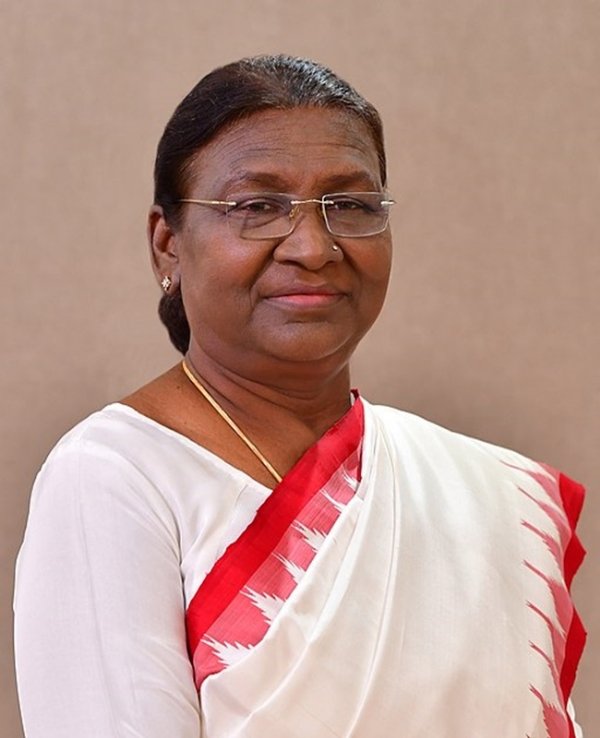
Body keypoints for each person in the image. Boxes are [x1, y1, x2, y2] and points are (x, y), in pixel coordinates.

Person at [14, 54, 585, 738]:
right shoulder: (116, 476)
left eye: (350, 206)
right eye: (257, 207)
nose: (313, 248)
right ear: (168, 245)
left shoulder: (482, 491)